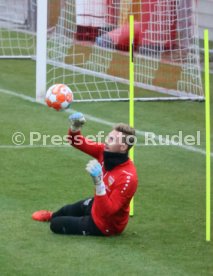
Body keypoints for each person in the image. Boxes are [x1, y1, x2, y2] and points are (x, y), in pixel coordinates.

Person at [32, 112, 138, 236]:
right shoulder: (104, 151)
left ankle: (56, 219)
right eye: (108, 137)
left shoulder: (128, 178)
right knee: (67, 210)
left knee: (56, 224)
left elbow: (108, 211)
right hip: (97, 204)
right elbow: (77, 142)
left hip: (106, 225)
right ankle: (51, 215)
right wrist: (75, 129)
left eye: (112, 139)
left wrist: (98, 183)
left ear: (123, 147)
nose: (106, 141)